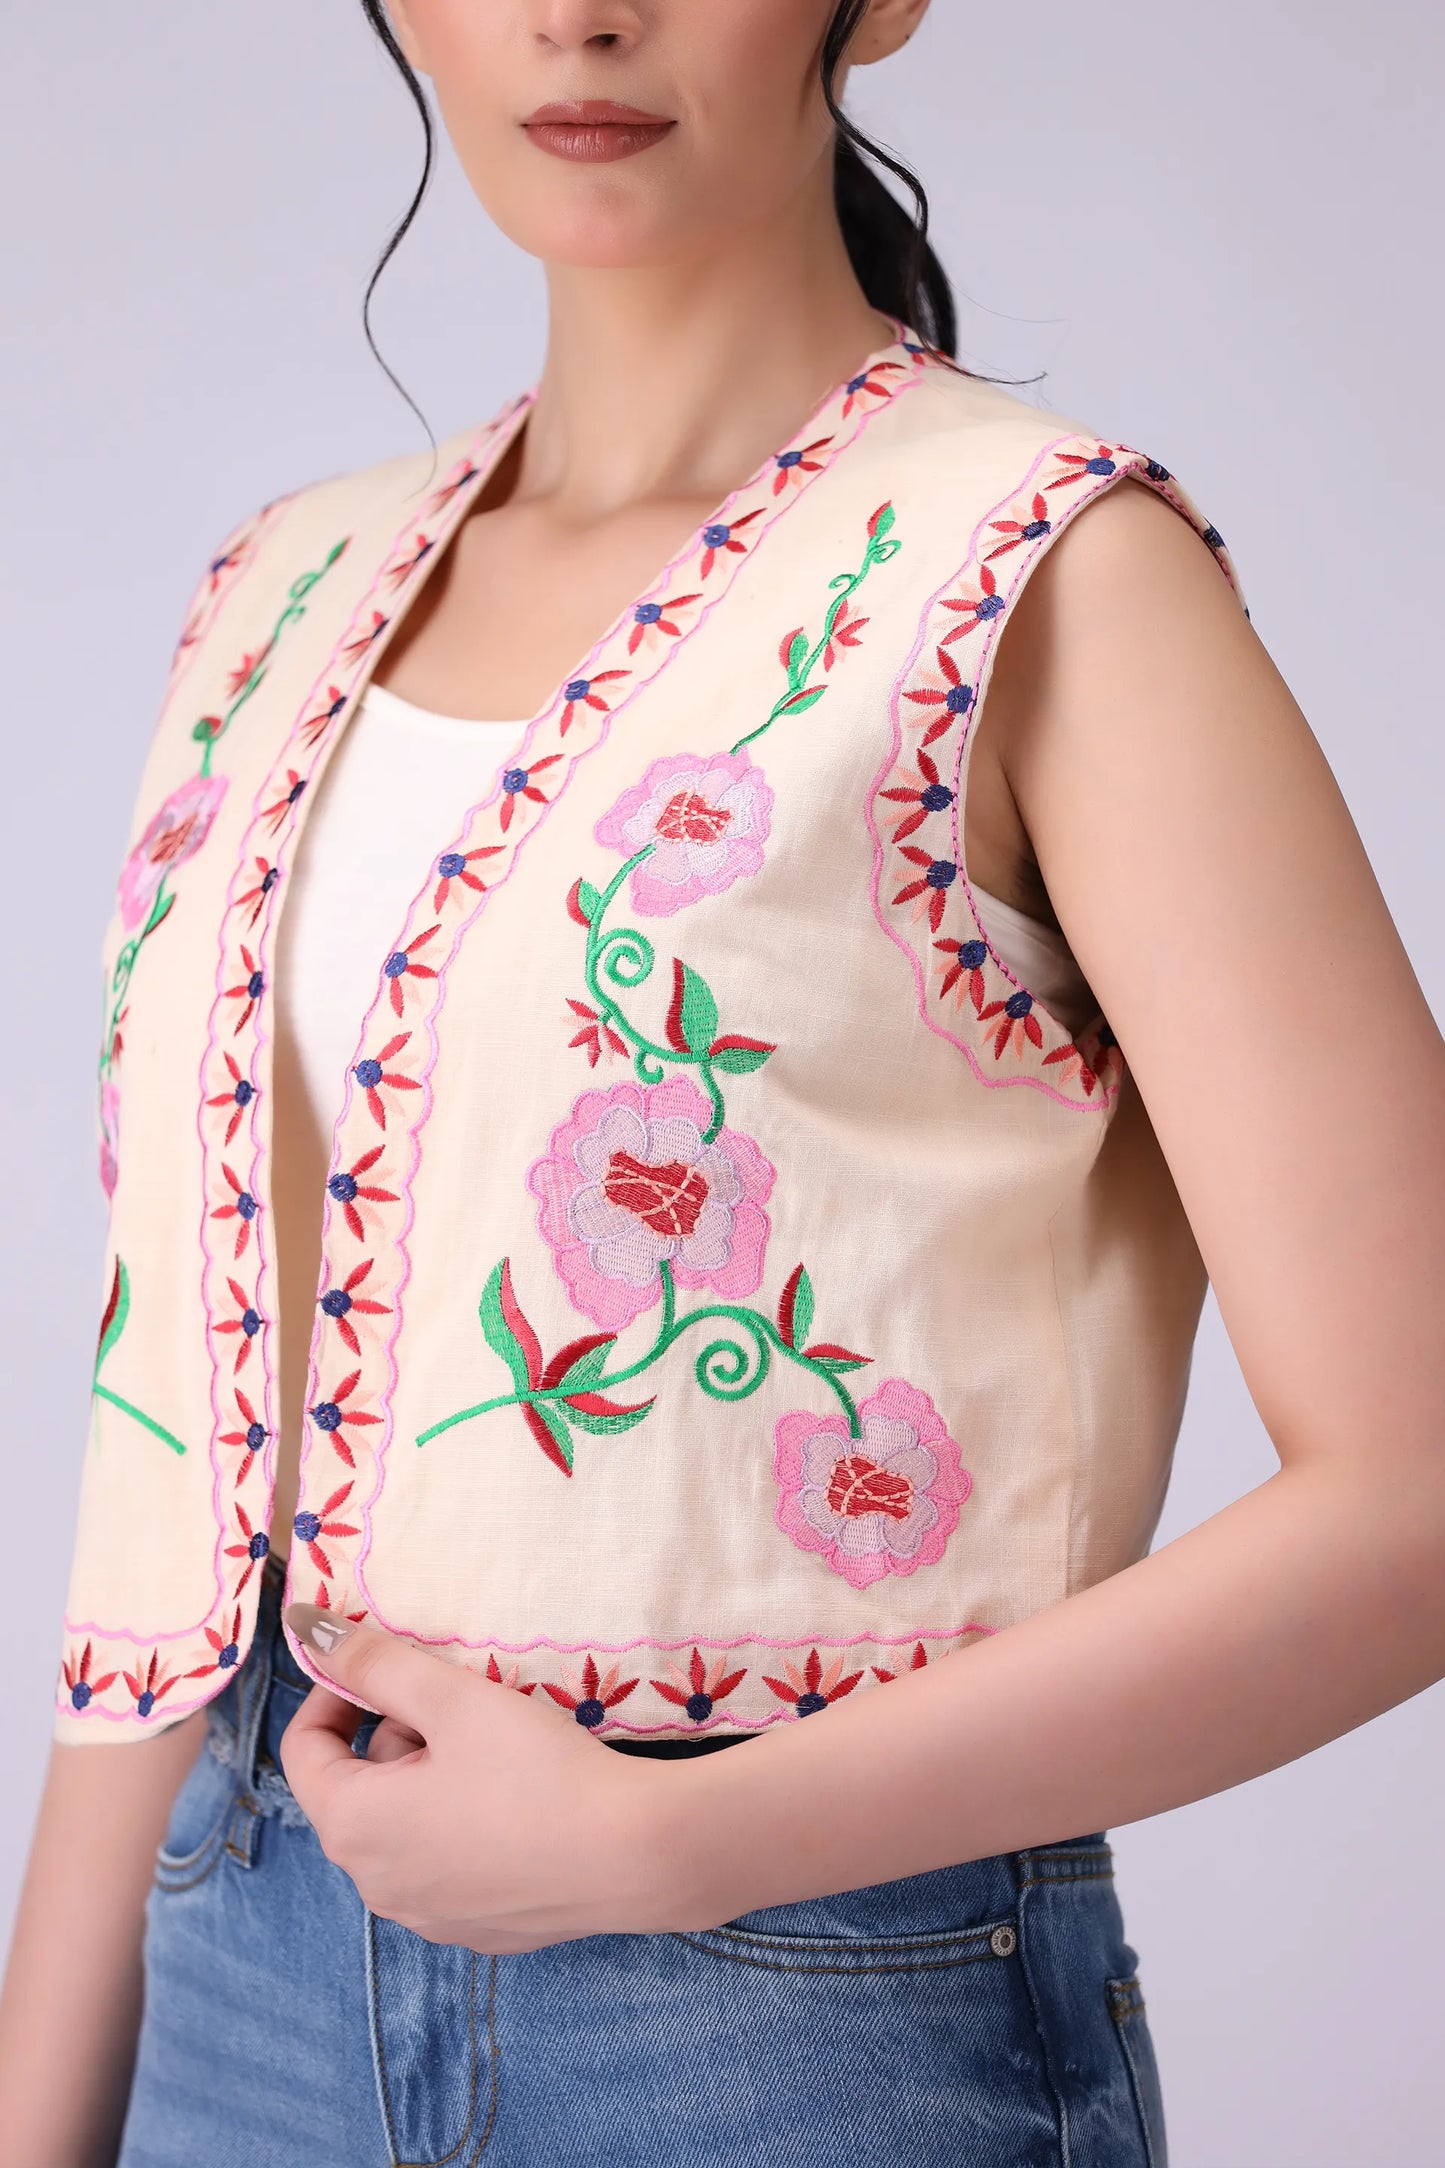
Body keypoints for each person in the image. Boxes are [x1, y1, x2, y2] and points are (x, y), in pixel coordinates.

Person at [3, 2, 1443, 2163]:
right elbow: (175, 1501)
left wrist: (678, 1844)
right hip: (235, 1976)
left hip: (796, 2016)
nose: (583, 12)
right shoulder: (274, 595)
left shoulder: (1036, 574)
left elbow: (1418, 1489)